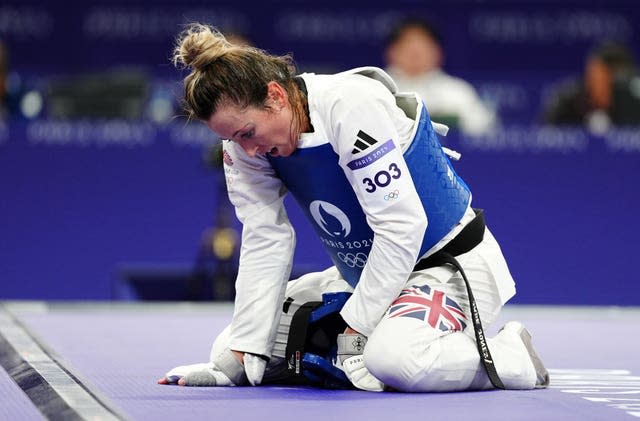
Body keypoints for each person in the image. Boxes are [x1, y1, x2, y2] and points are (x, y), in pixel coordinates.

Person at [158, 23, 549, 392]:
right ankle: (350, 347)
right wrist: (245, 349)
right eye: (231, 140)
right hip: (364, 278)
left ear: (276, 96)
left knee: (394, 360)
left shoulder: (348, 105)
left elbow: (403, 227)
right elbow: (265, 239)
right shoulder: (245, 143)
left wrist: (356, 327)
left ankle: (510, 356)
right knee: (235, 346)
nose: (248, 150)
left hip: (447, 267)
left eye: (247, 134)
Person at [384, 18, 496, 136]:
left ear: (437, 51)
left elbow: (481, 129)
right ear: (391, 51)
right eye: (407, 44)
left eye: (423, 45)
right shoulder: (375, 88)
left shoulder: (458, 91)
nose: (415, 53)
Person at [542, 41, 640, 132]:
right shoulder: (568, 97)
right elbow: (548, 133)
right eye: (603, 71)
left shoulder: (632, 95)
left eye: (618, 72)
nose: (614, 79)